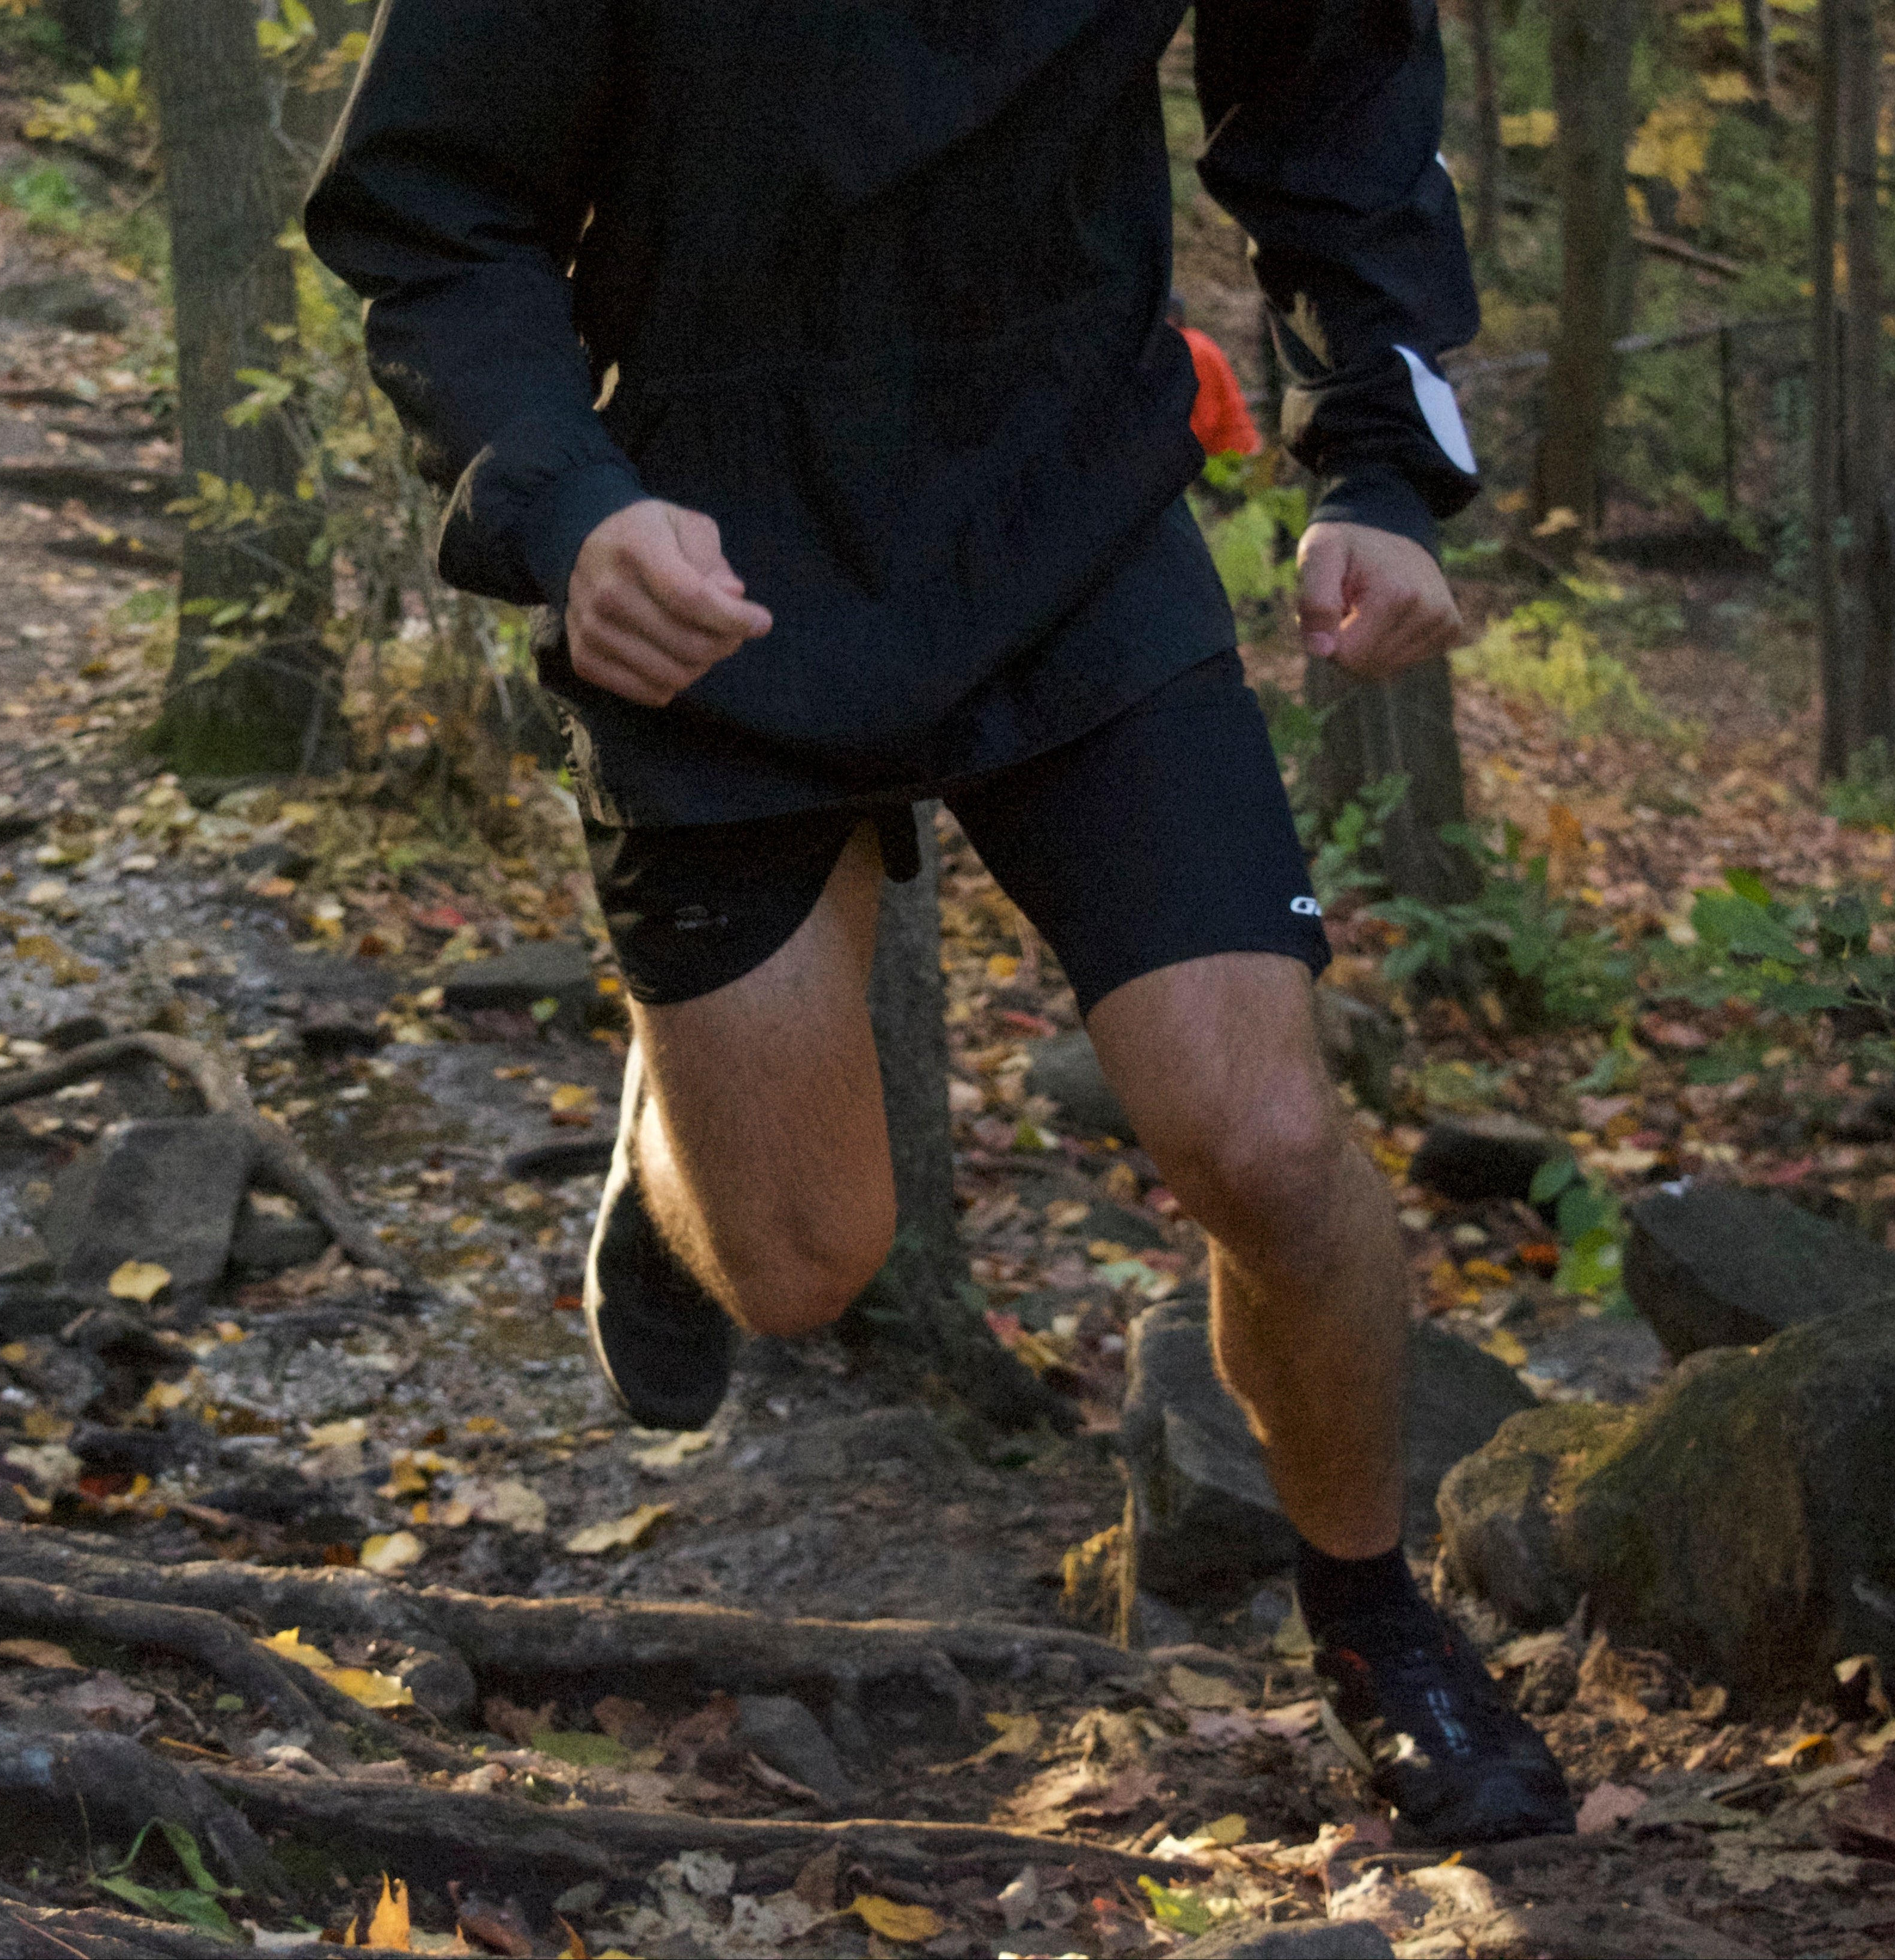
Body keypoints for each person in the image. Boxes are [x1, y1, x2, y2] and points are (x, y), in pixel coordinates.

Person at [307, 0, 1560, 1845]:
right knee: (802, 1263)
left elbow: (1336, 95)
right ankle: (669, 1127)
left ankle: (1371, 1625)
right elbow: (427, 208)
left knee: (1269, 1143)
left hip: (1069, 515)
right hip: (702, 553)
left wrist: (1375, 471)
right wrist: (566, 508)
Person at [1168, 293, 1262, 463]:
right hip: (1221, 456)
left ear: (1170, 321)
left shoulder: (1191, 351)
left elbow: (1206, 420)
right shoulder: (1189, 344)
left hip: (1230, 458)